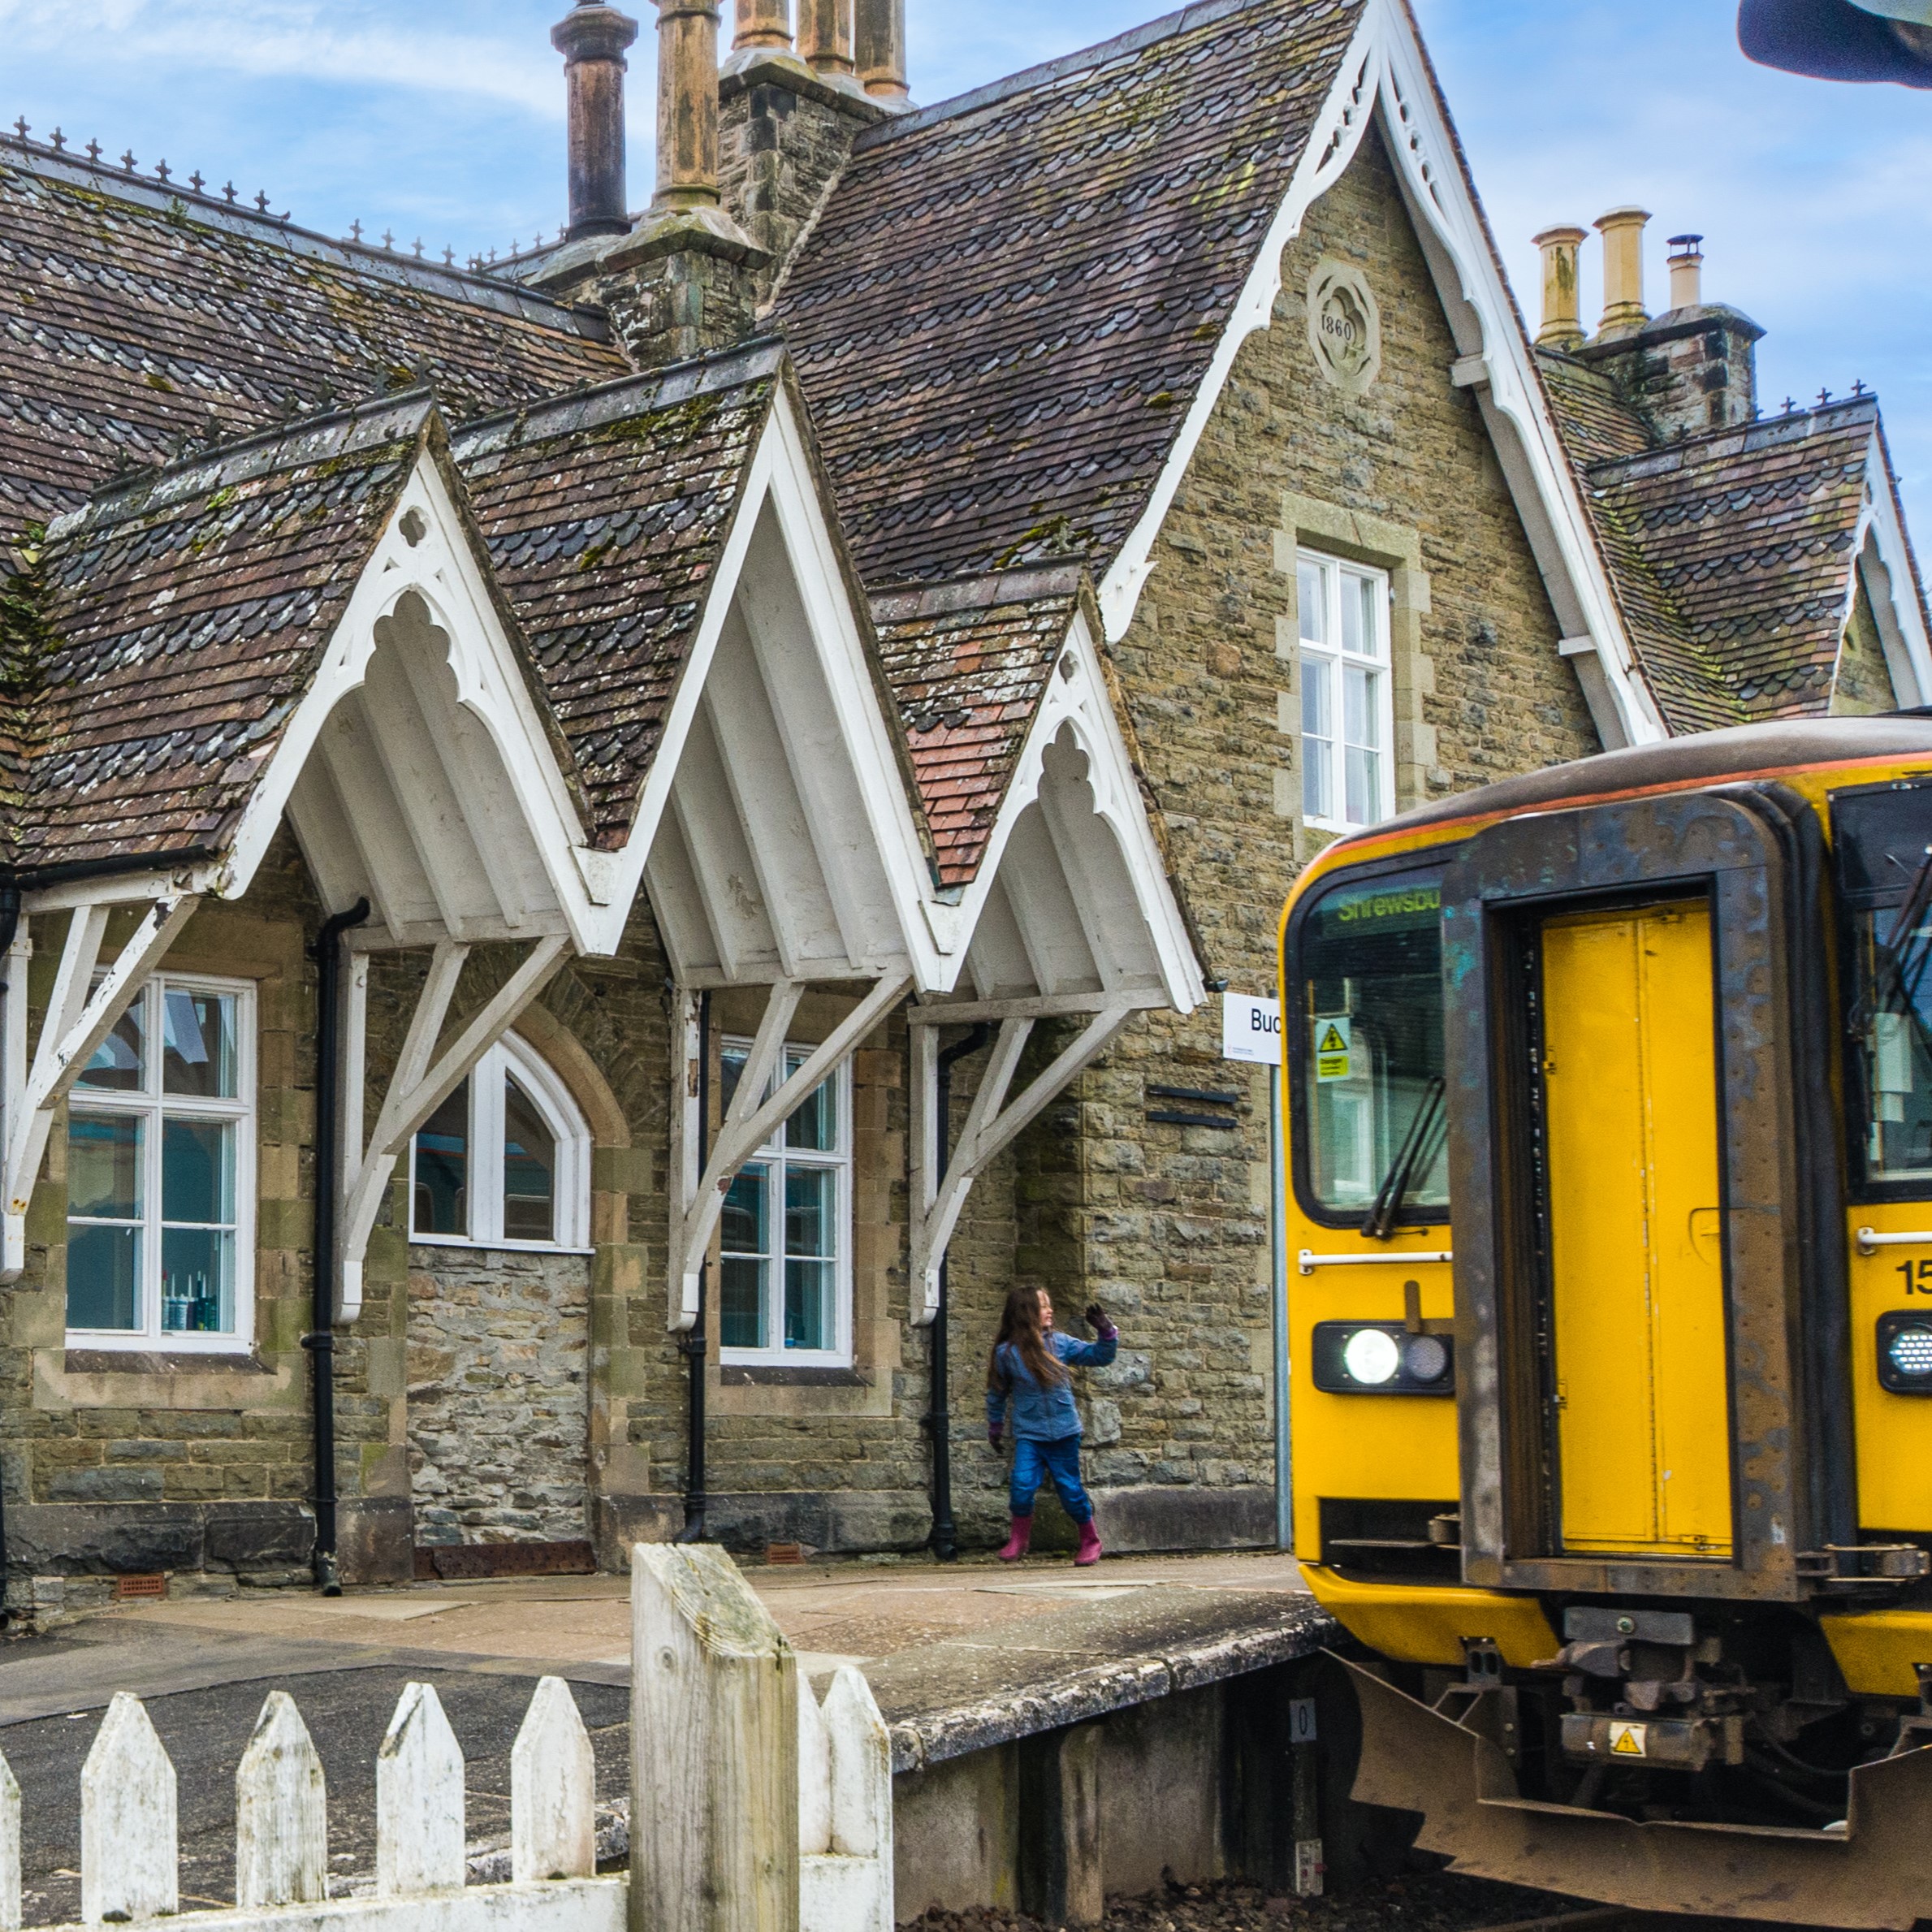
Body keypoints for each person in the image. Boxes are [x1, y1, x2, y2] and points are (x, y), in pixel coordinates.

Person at [984, 1284, 1118, 1567]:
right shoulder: (1006, 1353)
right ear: (1027, 1312)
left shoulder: (1062, 1343)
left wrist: (1106, 1333)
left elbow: (1100, 1357)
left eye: (1049, 1304)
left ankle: (1090, 1540)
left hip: (1064, 1431)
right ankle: (1019, 1539)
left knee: (1070, 1490)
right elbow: (997, 1391)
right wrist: (995, 1424)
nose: (1050, 1310)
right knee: (1021, 1486)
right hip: (1029, 1434)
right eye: (1044, 1305)